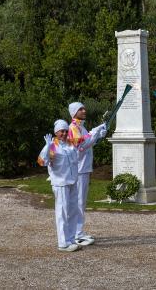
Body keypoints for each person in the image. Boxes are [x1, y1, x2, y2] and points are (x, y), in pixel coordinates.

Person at [67, 102, 107, 246]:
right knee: (78, 202)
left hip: (83, 168)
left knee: (81, 201)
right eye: (80, 109)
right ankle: (76, 234)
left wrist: (97, 136)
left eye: (84, 108)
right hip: (78, 169)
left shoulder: (81, 127)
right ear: (74, 112)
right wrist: (94, 133)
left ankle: (78, 231)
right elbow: (81, 146)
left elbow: (88, 143)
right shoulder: (73, 127)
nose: (84, 111)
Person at [38, 119, 81, 252]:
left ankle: (71, 238)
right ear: (56, 132)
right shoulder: (52, 146)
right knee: (62, 212)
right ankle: (63, 242)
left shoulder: (70, 145)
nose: (64, 133)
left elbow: (84, 144)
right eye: (61, 131)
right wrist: (47, 147)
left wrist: (97, 134)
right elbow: (42, 162)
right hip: (60, 183)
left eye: (66, 131)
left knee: (73, 210)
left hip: (72, 181)